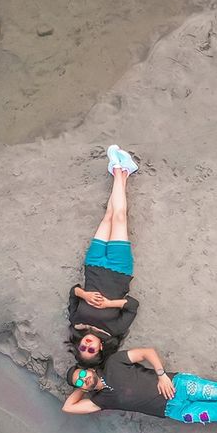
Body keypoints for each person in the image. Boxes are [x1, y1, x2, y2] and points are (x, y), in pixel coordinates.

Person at [62, 348, 217, 424]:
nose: (84, 380)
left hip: (180, 386)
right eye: (80, 382)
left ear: (90, 369)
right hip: (174, 412)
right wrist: (82, 388)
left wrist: (161, 375)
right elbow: (68, 408)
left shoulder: (114, 362)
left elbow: (147, 352)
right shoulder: (98, 401)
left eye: (83, 375)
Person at [68, 145, 141, 367]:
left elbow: (73, 292)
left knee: (108, 216)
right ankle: (118, 169)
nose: (87, 345)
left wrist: (85, 295)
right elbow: (132, 305)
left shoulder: (76, 322)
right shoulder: (115, 330)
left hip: (94, 265)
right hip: (119, 271)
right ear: (100, 348)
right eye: (91, 349)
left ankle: (125, 172)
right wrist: (111, 303)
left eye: (83, 348)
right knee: (119, 218)